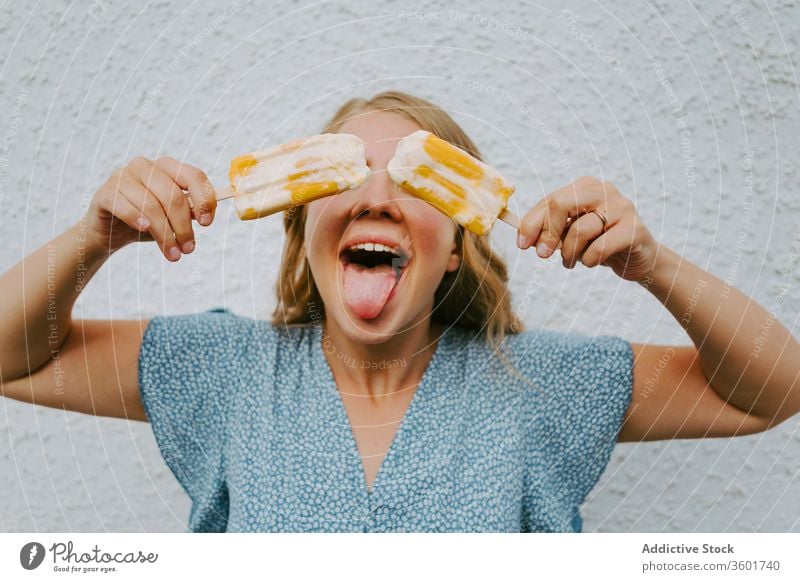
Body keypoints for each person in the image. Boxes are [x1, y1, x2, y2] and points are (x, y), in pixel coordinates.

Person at [1, 91, 798, 533]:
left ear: (456, 244)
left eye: (416, 181)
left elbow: (771, 390)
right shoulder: (222, 372)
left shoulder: (537, 383)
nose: (377, 196)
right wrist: (92, 239)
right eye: (344, 176)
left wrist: (651, 266)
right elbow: (13, 358)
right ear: (303, 223)